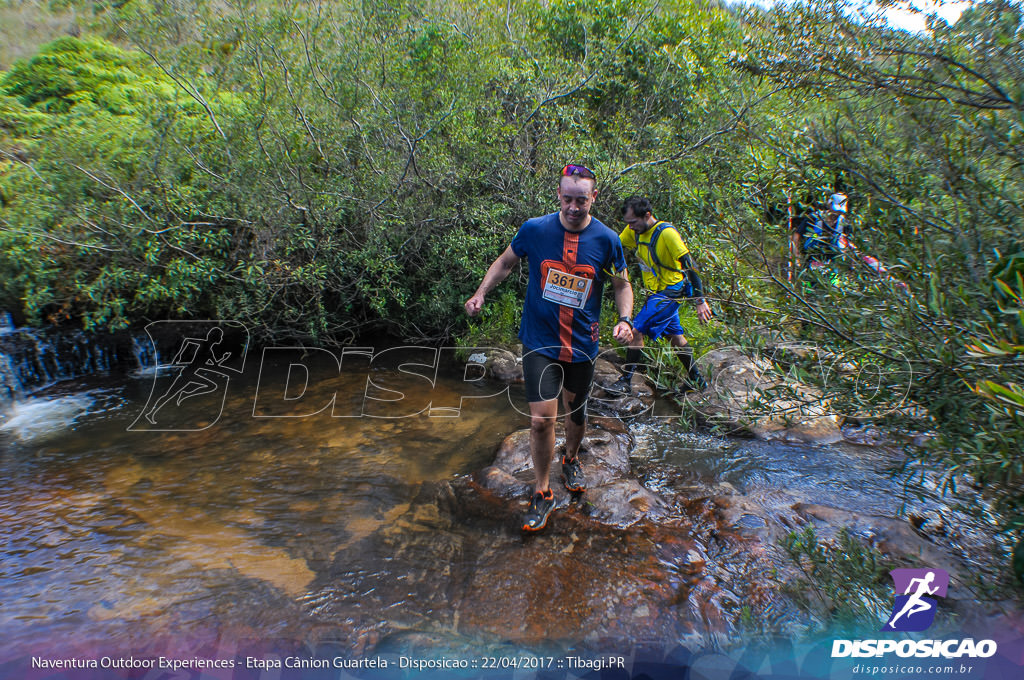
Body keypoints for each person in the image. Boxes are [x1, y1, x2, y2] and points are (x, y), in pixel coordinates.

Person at [465, 164, 634, 532]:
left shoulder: (607, 240)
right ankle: (543, 492)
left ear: (594, 198)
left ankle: (571, 457)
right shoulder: (535, 229)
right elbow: (506, 262)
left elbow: (622, 285)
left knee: (576, 414)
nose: (574, 207)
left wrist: (625, 319)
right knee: (541, 420)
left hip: (582, 344)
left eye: (582, 200)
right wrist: (480, 293)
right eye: (568, 199)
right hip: (540, 339)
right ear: (559, 195)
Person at [610, 196, 713, 395]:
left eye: (633, 222)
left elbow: (691, 266)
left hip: (670, 293)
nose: (630, 228)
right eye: (627, 223)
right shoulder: (635, 231)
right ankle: (697, 380)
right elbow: (615, 244)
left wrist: (700, 301)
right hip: (655, 293)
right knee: (675, 336)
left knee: (636, 330)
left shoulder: (667, 234)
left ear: (647, 215)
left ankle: (626, 380)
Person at [790, 192, 849, 276]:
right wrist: (796, 255)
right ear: (829, 204)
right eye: (835, 210)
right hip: (812, 260)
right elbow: (797, 235)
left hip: (832, 264)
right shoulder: (814, 218)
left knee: (832, 286)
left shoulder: (844, 223)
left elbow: (849, 243)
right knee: (810, 286)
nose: (837, 213)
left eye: (840, 211)